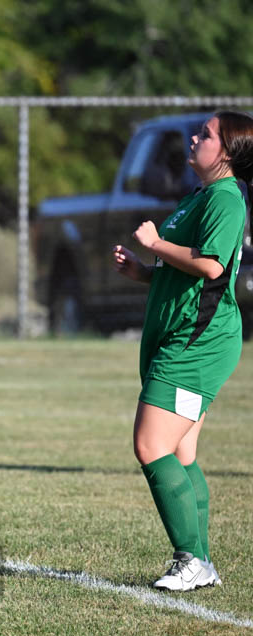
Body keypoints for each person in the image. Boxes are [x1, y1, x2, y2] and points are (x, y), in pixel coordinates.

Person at [113, 111, 253, 591]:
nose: (195, 137)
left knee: (151, 445)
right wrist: (143, 271)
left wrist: (155, 242)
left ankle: (191, 559)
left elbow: (212, 267)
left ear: (228, 153)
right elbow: (185, 271)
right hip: (187, 336)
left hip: (199, 343)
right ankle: (204, 561)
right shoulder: (201, 196)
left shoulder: (226, 199)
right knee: (181, 452)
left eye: (207, 134)